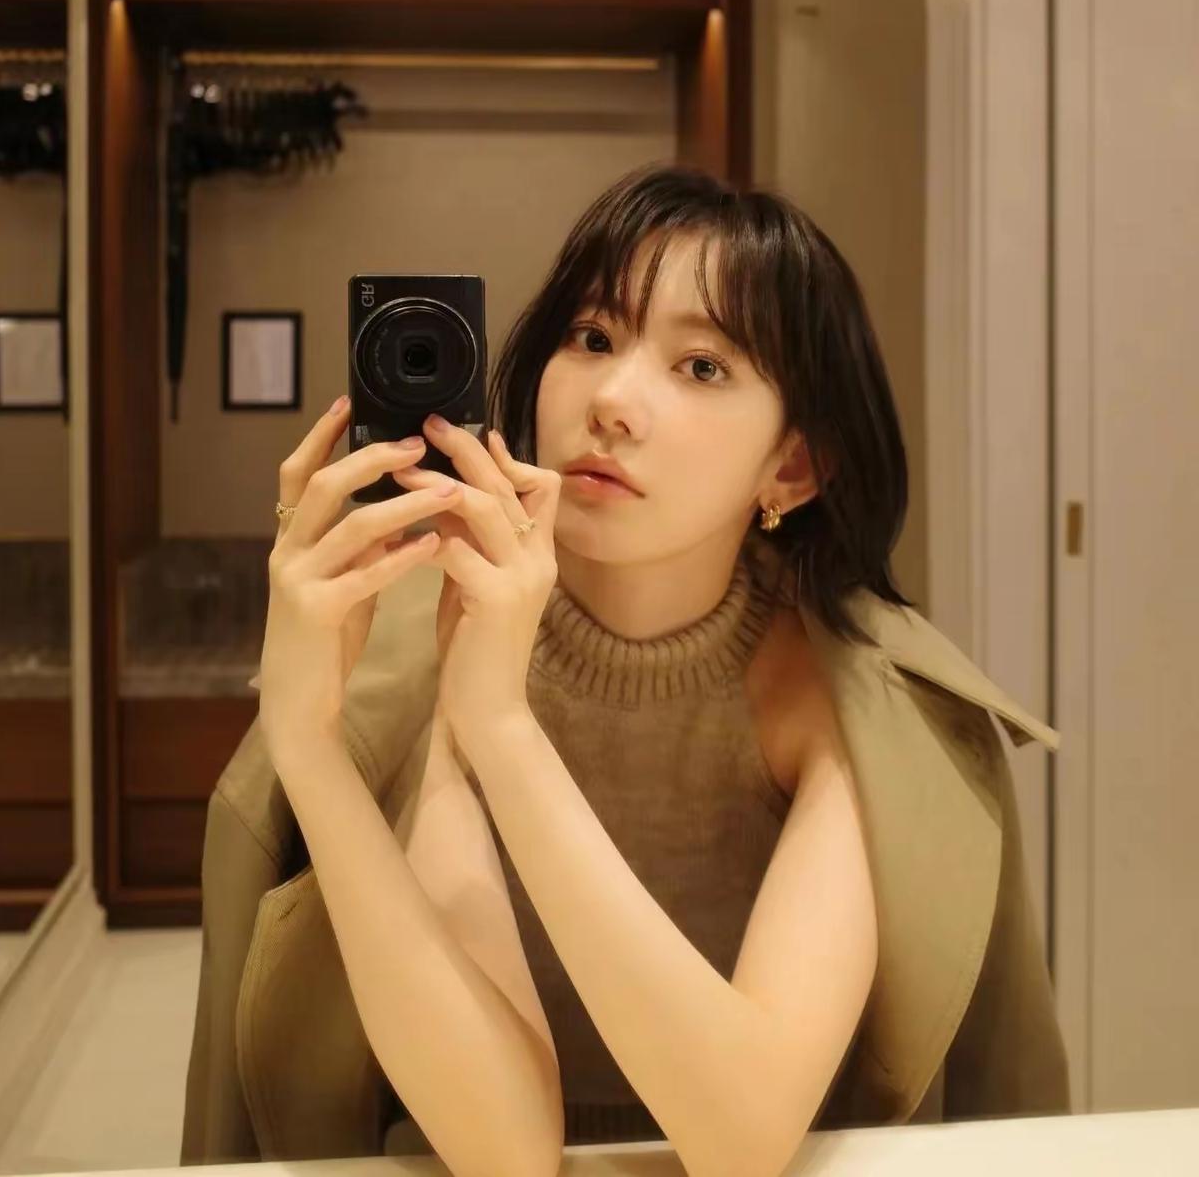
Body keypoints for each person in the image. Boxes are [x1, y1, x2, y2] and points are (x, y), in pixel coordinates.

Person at [181, 162, 1070, 1175]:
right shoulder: (433, 636)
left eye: (702, 367)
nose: (611, 401)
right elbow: (503, 1152)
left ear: (790, 466)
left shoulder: (856, 702)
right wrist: (306, 746)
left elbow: (741, 1137)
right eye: (592, 338)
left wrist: (503, 732)